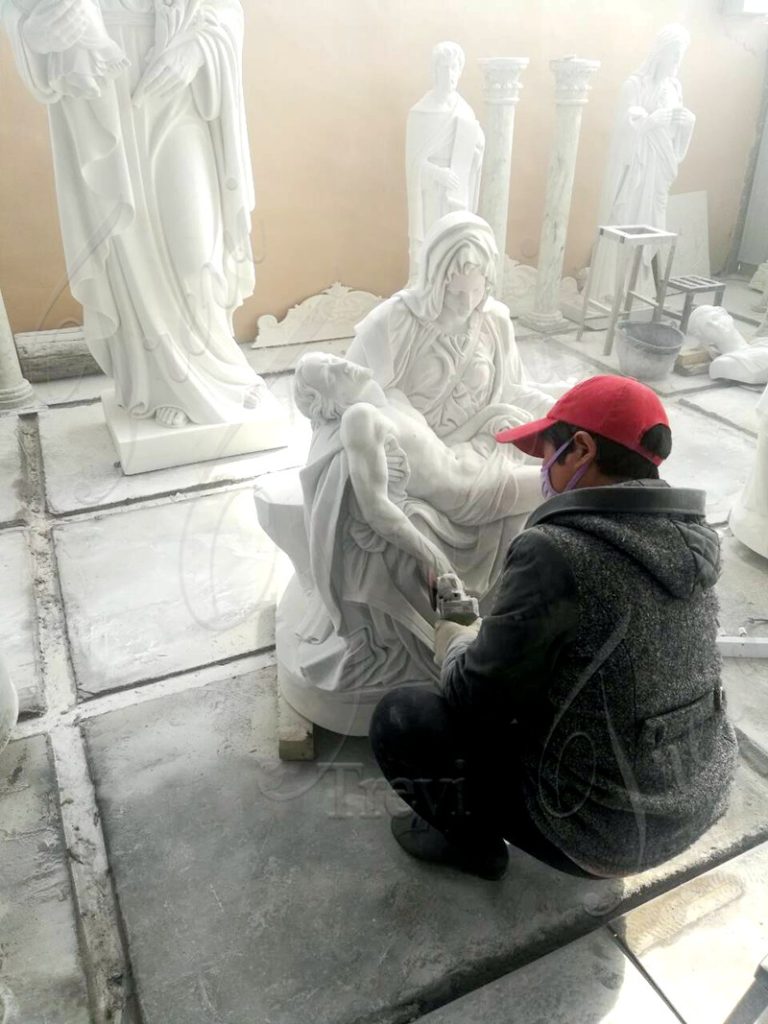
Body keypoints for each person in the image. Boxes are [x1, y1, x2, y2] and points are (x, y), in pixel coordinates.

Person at [371, 375, 737, 880]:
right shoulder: (692, 537)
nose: (542, 468)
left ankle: (474, 846)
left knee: (403, 717)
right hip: (695, 798)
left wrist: (455, 634)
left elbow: (474, 702)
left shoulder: (558, 549)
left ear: (581, 448)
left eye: (548, 453)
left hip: (603, 834)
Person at [4, 0, 265, 428]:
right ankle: (164, 383)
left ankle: (220, 371)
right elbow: (21, 12)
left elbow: (225, 9)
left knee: (197, 249)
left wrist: (197, 48)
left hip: (176, 86)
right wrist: (50, 28)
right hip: (104, 86)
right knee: (130, 243)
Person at [270, 352, 540, 736]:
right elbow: (377, 508)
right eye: (328, 372)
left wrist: (486, 419)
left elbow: (439, 440)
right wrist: (436, 558)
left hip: (468, 462)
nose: (341, 363)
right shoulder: (359, 417)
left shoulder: (385, 395)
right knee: (559, 483)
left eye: (331, 357)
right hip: (470, 496)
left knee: (519, 421)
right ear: (324, 400)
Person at [347, 211, 563, 460]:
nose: (467, 303)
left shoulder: (495, 320)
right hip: (413, 455)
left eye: (477, 290)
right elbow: (348, 394)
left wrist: (558, 410)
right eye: (457, 293)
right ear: (435, 282)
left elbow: (511, 390)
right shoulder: (391, 323)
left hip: (483, 441)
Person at [590, 24, 696, 302]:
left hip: (659, 171)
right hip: (634, 173)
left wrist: (689, 125)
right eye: (674, 55)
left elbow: (675, 142)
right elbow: (622, 134)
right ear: (660, 54)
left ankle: (640, 291)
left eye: (681, 56)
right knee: (625, 224)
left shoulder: (675, 87)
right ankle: (612, 291)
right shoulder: (634, 86)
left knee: (653, 226)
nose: (677, 63)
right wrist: (650, 123)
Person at [405, 42, 484, 283]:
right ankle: (428, 287)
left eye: (454, 68)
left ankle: (454, 289)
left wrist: (478, 147)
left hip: (459, 188)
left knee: (457, 243)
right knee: (434, 242)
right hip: (432, 192)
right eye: (444, 68)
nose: (450, 74)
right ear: (435, 71)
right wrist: (439, 174)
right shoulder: (421, 113)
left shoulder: (464, 110)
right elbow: (414, 164)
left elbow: (475, 150)